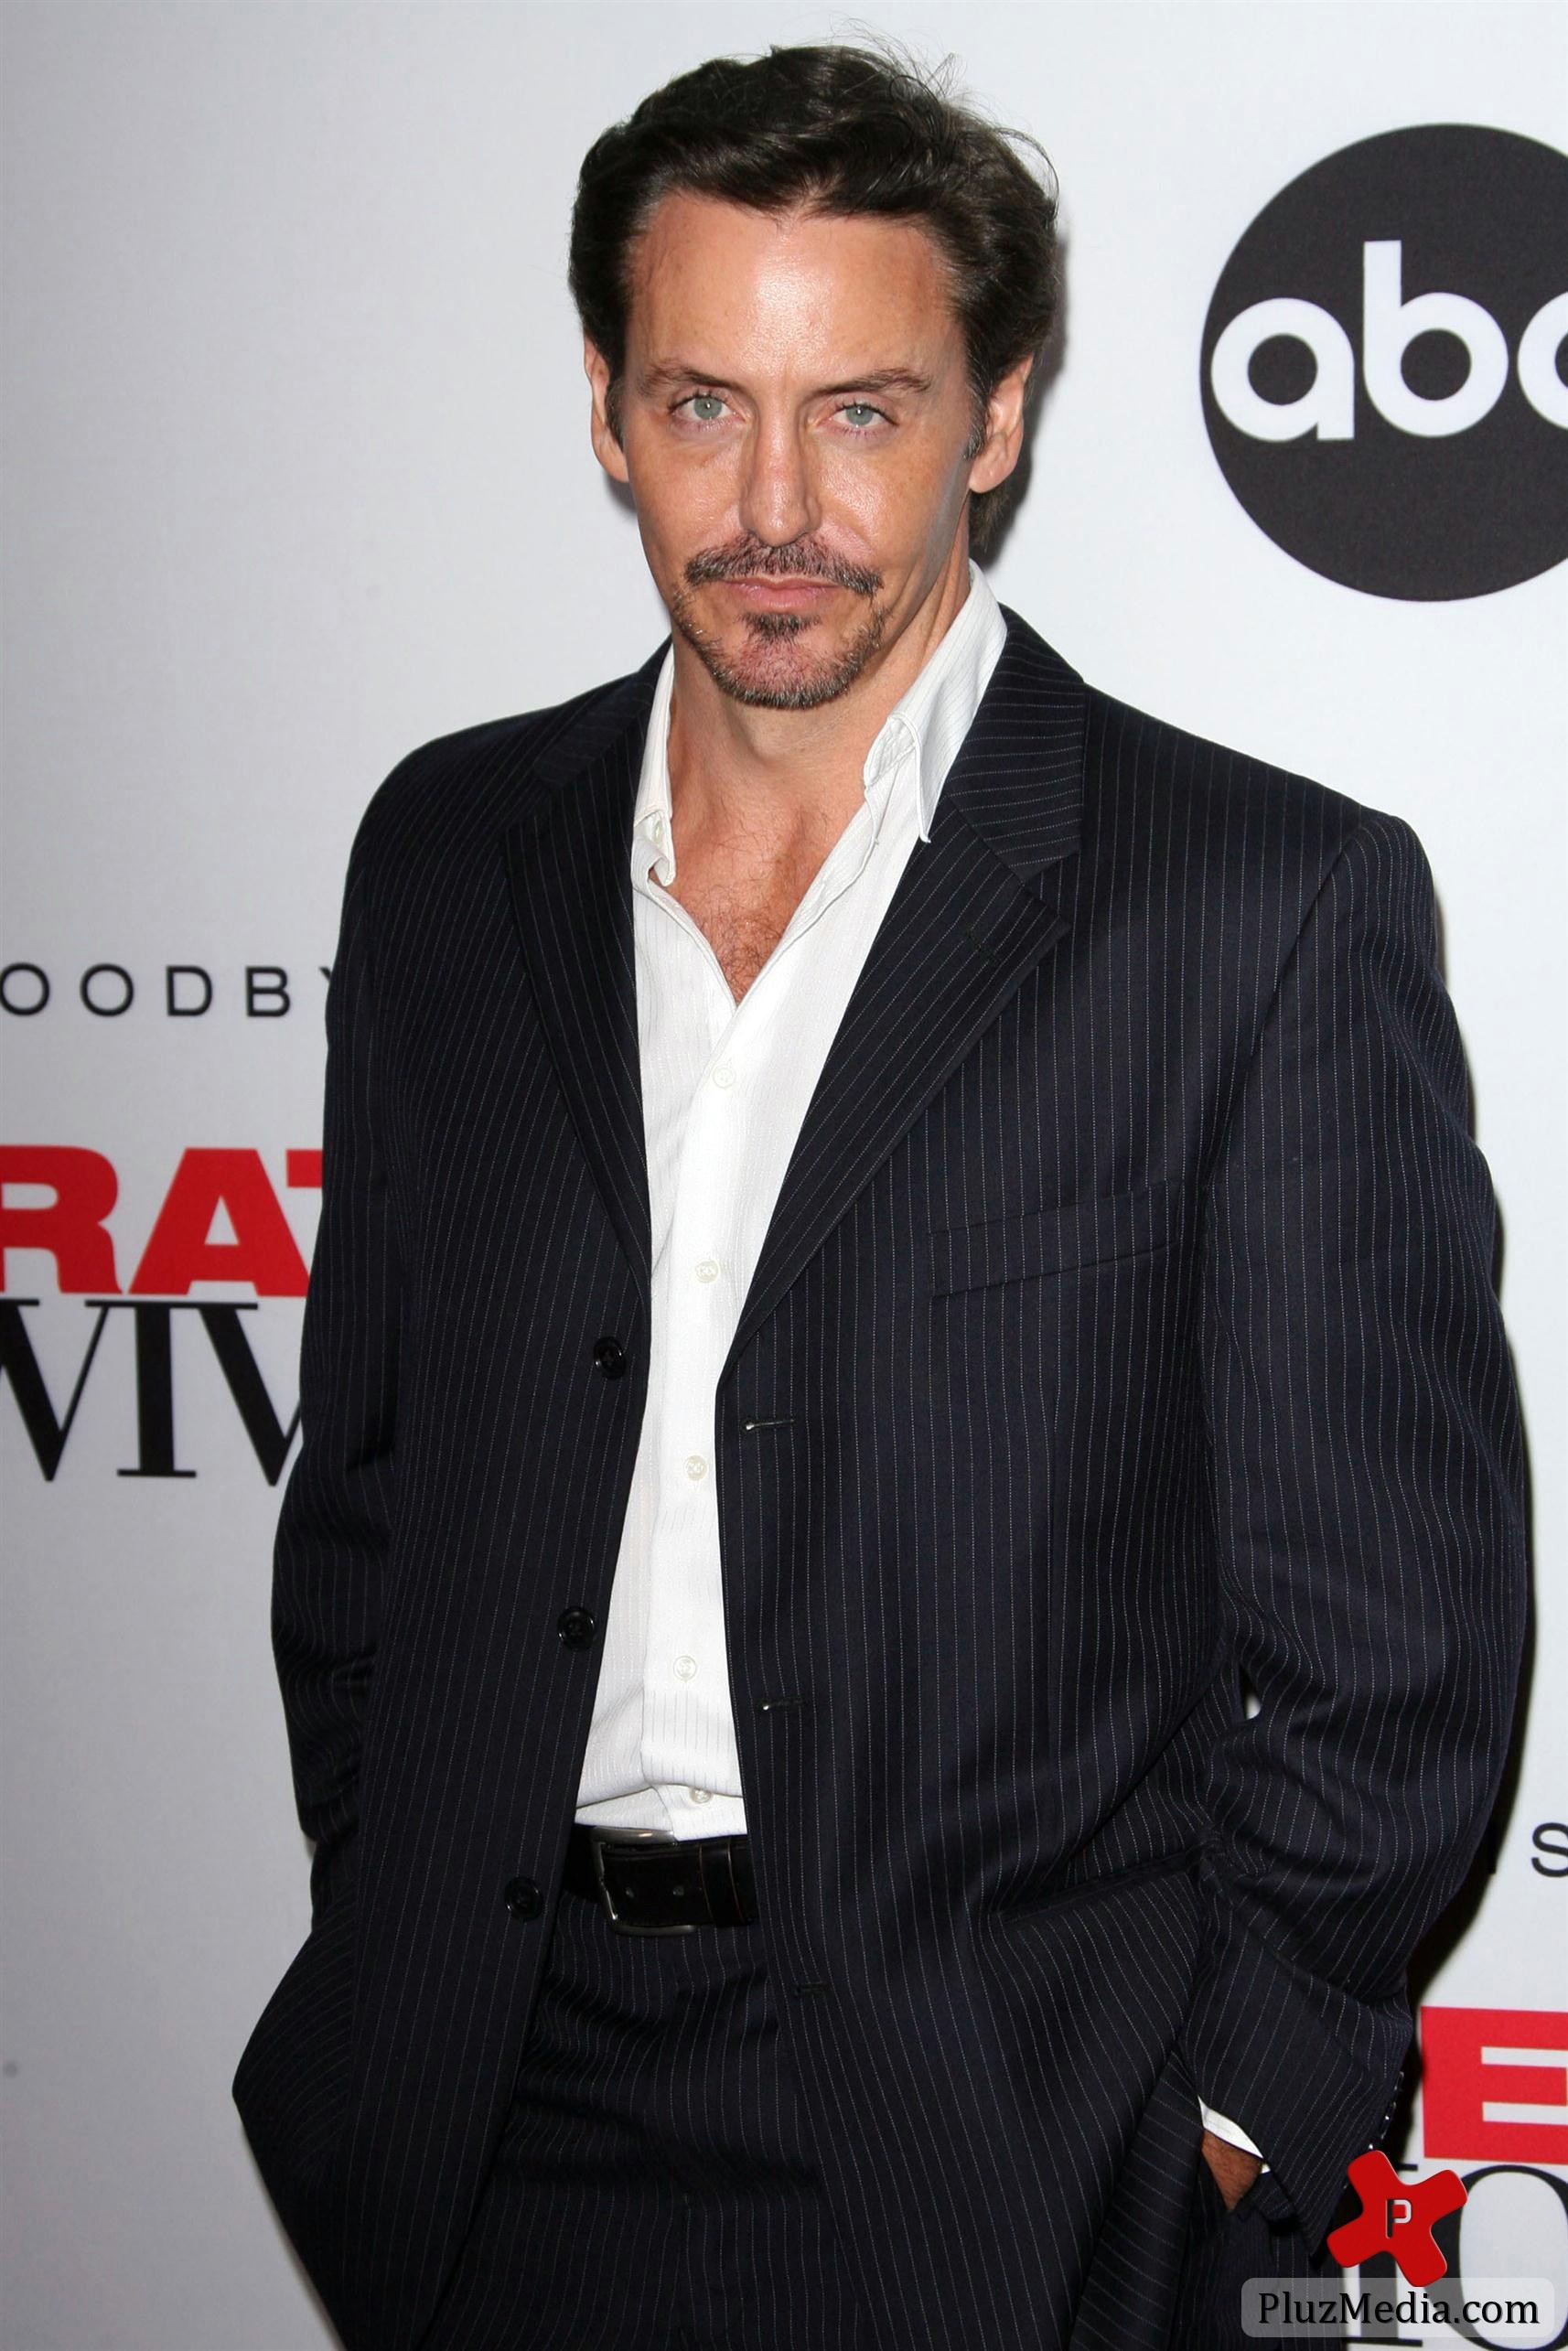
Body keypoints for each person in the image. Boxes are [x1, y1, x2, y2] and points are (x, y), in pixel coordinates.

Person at [232, 40, 1527, 2351]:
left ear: (994, 418)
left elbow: (1393, 1649)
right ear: (606, 408)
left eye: (858, 412)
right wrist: (388, 1923)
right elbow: (370, 1505)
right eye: (701, 403)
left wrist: (1228, 2119)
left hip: (1009, 2146)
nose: (772, 506)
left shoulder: (1247, 906)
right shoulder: (447, 850)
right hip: (485, 2116)